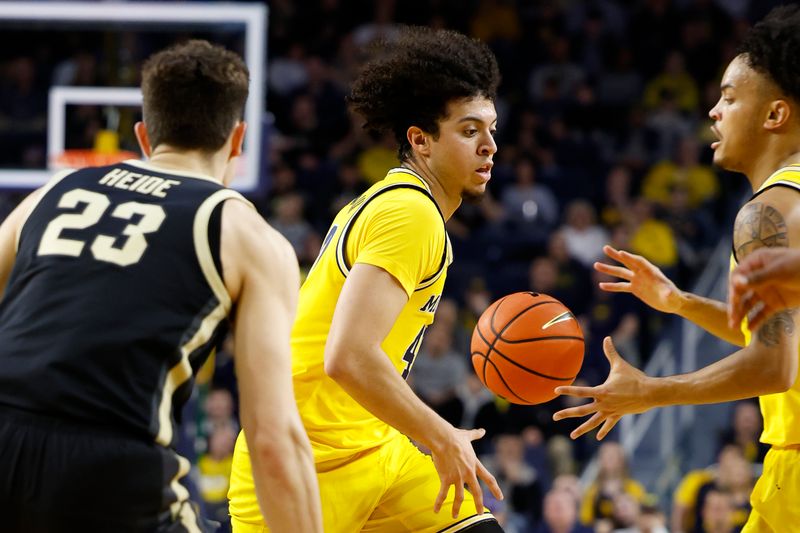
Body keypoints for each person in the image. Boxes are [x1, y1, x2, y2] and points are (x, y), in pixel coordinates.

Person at [0, 40, 322, 532]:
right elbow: (273, 437)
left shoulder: (51, 193)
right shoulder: (249, 236)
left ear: (143, 136)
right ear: (238, 140)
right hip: (108, 467)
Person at [229, 26, 504, 532]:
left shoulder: (400, 201)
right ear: (420, 141)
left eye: (490, 128)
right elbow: (348, 356)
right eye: (469, 131)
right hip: (303, 457)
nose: (489, 145)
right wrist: (442, 435)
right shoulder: (410, 214)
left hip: (375, 447)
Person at [553, 6, 800, 531]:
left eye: (730, 98)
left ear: (774, 115)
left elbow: (773, 368)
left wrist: (651, 391)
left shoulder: (766, 212)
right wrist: (680, 302)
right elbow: (778, 334)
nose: (713, 110)